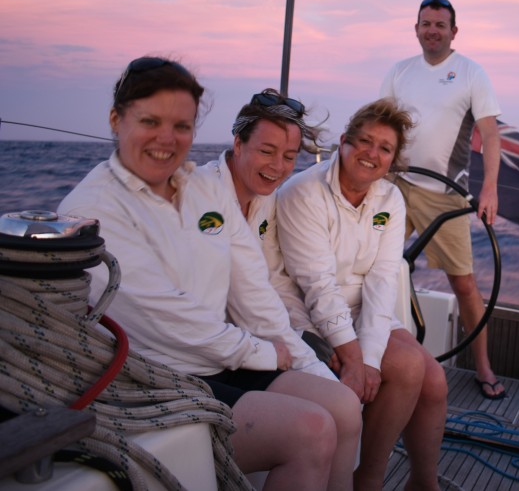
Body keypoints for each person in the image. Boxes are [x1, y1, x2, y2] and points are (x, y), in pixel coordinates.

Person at [59, 57, 361, 491]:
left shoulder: (204, 191)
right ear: (116, 120)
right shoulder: (91, 208)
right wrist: (262, 353)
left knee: (343, 404)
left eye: (181, 125)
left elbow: (254, 292)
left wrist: (307, 364)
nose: (167, 138)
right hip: (148, 376)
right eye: (150, 120)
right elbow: (167, 319)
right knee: (311, 430)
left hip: (215, 359)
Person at [276, 98, 448, 491]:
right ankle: (367, 480)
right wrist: (356, 359)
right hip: (309, 313)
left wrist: (367, 358)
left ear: (392, 159)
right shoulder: (304, 194)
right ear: (343, 143)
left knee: (435, 380)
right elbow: (318, 286)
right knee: (406, 366)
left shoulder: (389, 199)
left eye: (385, 148)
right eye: (364, 142)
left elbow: (383, 280)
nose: (372, 154)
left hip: (363, 310)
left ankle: (423, 483)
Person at [379, 0, 505, 400]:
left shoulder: (471, 73)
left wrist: (489, 188)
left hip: (445, 193)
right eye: (425, 23)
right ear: (415, 28)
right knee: (367, 262)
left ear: (454, 31)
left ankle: (484, 366)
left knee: (463, 283)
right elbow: (381, 126)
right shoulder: (399, 72)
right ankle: (363, 348)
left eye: (440, 24)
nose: (432, 30)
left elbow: (489, 134)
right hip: (397, 185)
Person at [196, 88, 321, 338]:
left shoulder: (268, 201)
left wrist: (307, 333)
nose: (278, 166)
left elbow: (274, 278)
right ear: (238, 144)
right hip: (205, 340)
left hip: (252, 334)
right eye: (266, 151)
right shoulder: (198, 192)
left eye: (289, 156)